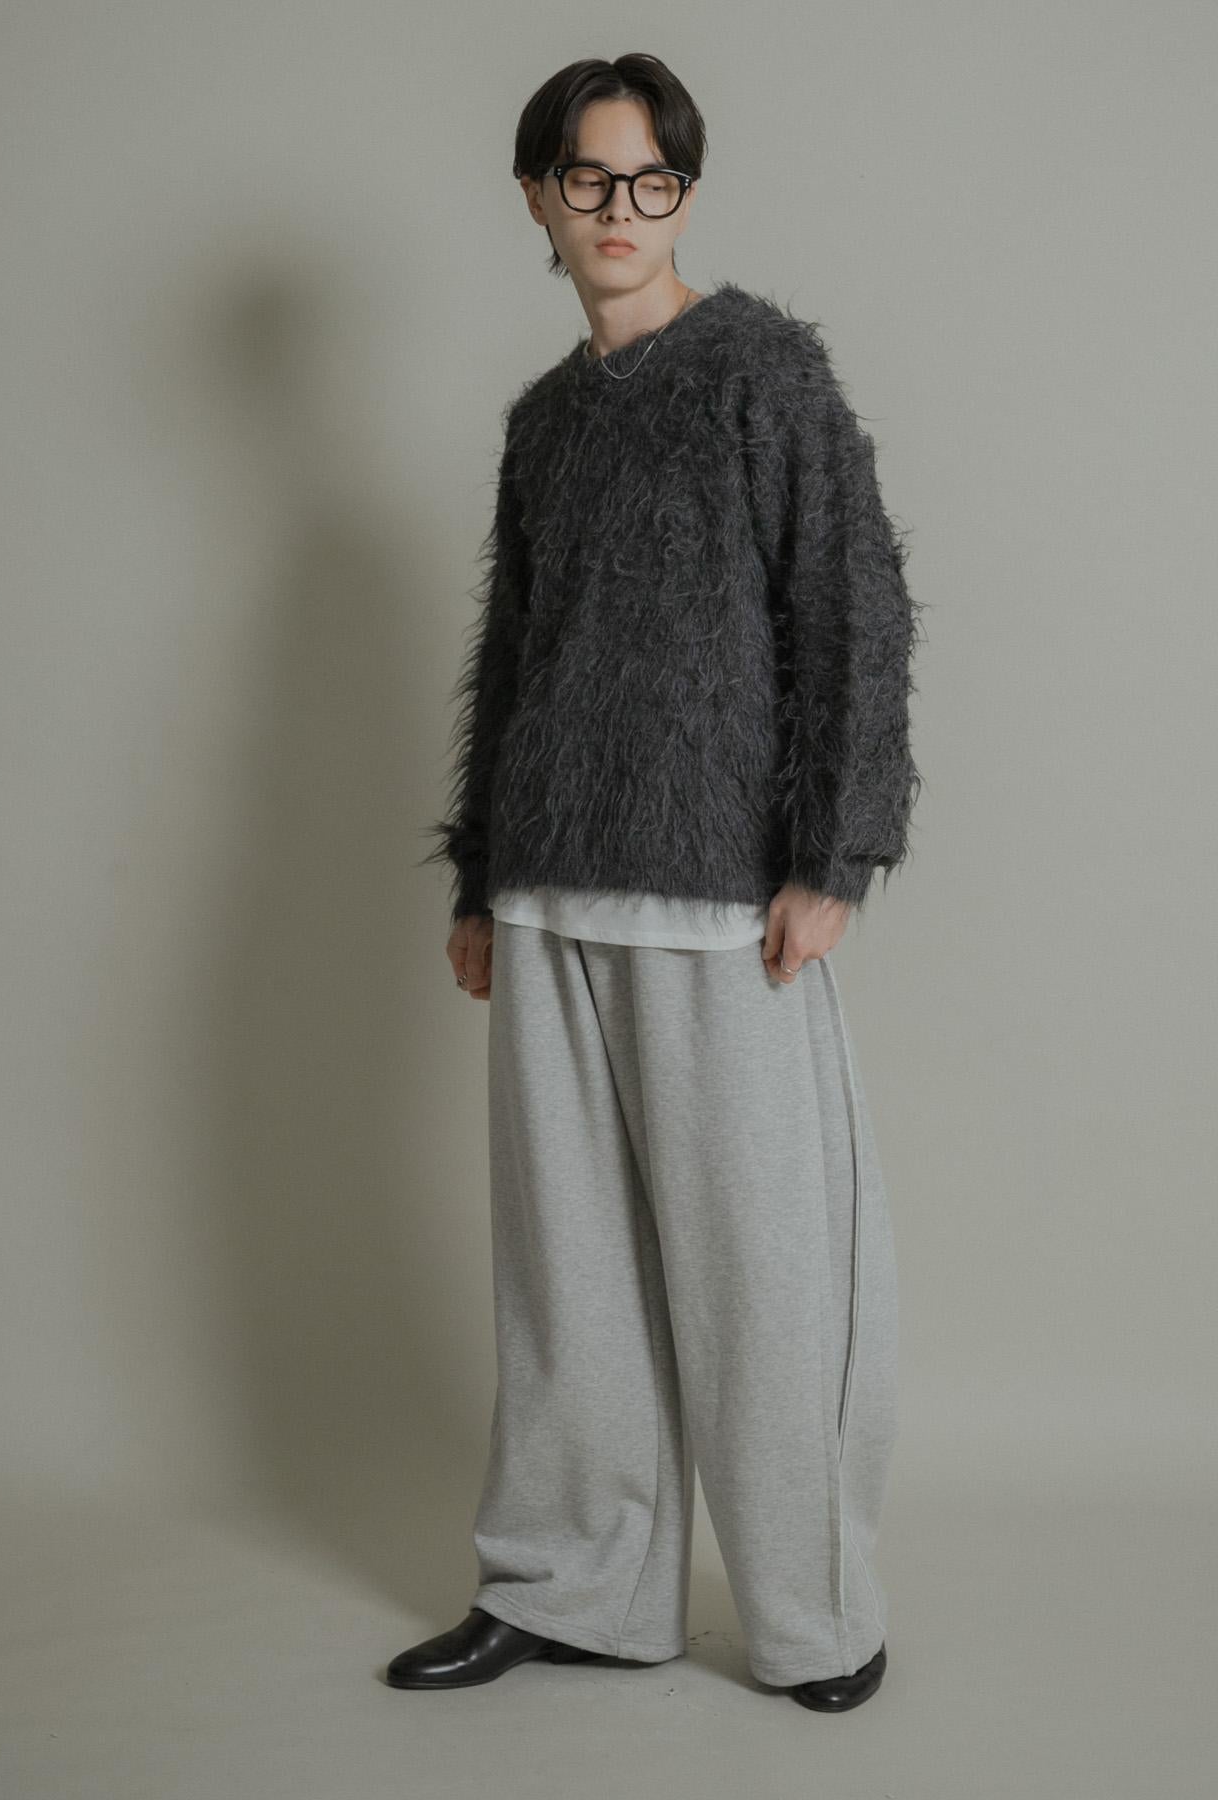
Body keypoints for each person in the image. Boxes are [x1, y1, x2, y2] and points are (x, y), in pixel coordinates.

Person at [396, 53, 923, 1714]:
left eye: (650, 181)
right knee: (569, 1282)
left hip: (714, 893)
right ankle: (575, 1588)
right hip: (550, 894)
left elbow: (853, 609)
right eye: (587, 179)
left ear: (682, 193)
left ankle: (817, 1614)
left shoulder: (765, 374)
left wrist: (833, 853)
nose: (619, 210)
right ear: (538, 197)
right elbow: (515, 654)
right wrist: (480, 881)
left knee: (765, 1274)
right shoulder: (544, 422)